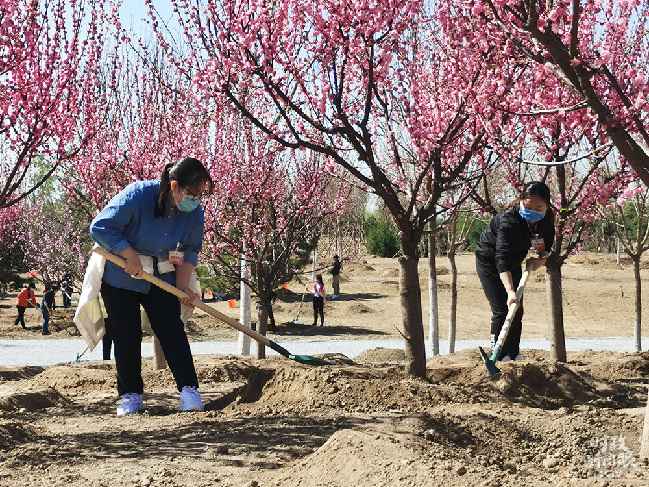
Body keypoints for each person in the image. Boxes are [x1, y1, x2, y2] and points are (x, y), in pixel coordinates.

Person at [90, 157, 212, 416]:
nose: (196, 200)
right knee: (126, 334)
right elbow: (100, 227)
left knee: (172, 330)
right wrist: (128, 253)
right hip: (122, 274)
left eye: (201, 195)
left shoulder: (194, 212)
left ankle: (189, 390)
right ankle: (130, 395)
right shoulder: (138, 195)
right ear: (175, 186)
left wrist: (182, 289)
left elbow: (190, 250)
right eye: (192, 194)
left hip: (161, 274)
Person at [475, 181, 555, 362]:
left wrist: (539, 261)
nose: (533, 210)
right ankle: (497, 355)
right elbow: (501, 258)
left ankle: (513, 353)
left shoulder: (547, 220)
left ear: (547, 206)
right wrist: (510, 291)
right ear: (520, 200)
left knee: (517, 310)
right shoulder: (508, 220)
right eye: (528, 205)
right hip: (490, 261)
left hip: (515, 261)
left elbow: (546, 249)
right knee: (502, 309)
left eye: (539, 206)